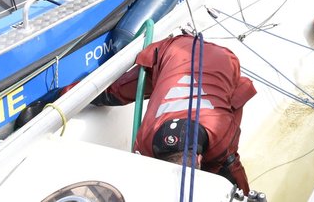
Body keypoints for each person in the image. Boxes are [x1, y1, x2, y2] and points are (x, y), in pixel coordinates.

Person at [93, 34, 256, 193]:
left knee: (222, 158)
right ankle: (69, 90)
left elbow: (231, 165)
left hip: (209, 57)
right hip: (175, 56)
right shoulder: (143, 144)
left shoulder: (221, 133)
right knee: (107, 93)